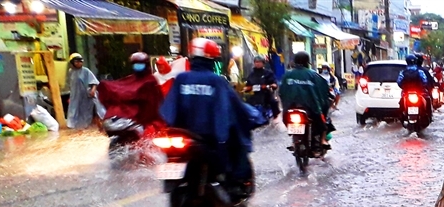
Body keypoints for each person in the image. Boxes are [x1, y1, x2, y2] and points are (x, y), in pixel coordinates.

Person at [160, 38, 264, 194]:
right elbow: (234, 106)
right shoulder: (216, 80)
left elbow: (170, 107)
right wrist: (254, 116)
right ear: (212, 58)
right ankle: (233, 183)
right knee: (237, 145)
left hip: (183, 133)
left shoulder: (182, 78)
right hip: (210, 135)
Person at [97, 52, 166, 134]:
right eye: (135, 64)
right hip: (127, 120)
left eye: (140, 64)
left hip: (120, 120)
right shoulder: (135, 79)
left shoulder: (150, 81)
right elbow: (119, 87)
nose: (137, 66)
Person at [279, 51, 333, 149]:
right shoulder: (313, 75)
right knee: (323, 119)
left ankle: (294, 140)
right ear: (307, 61)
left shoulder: (288, 75)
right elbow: (323, 89)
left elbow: (282, 91)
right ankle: (322, 140)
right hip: (311, 107)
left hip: (290, 107)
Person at [66, 53, 99, 129]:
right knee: (73, 110)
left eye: (80, 61)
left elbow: (94, 82)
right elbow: (69, 84)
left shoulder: (86, 71)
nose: (79, 63)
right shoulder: (70, 72)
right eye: (76, 62)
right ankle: (72, 126)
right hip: (74, 96)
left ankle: (85, 127)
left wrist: (93, 91)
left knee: (85, 112)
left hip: (85, 96)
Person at [397, 54, 430, 122]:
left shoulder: (403, 72)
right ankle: (428, 116)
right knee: (428, 99)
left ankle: (401, 117)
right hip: (419, 93)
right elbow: (425, 81)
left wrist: (404, 88)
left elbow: (399, 82)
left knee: (401, 103)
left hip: (406, 93)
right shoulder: (420, 71)